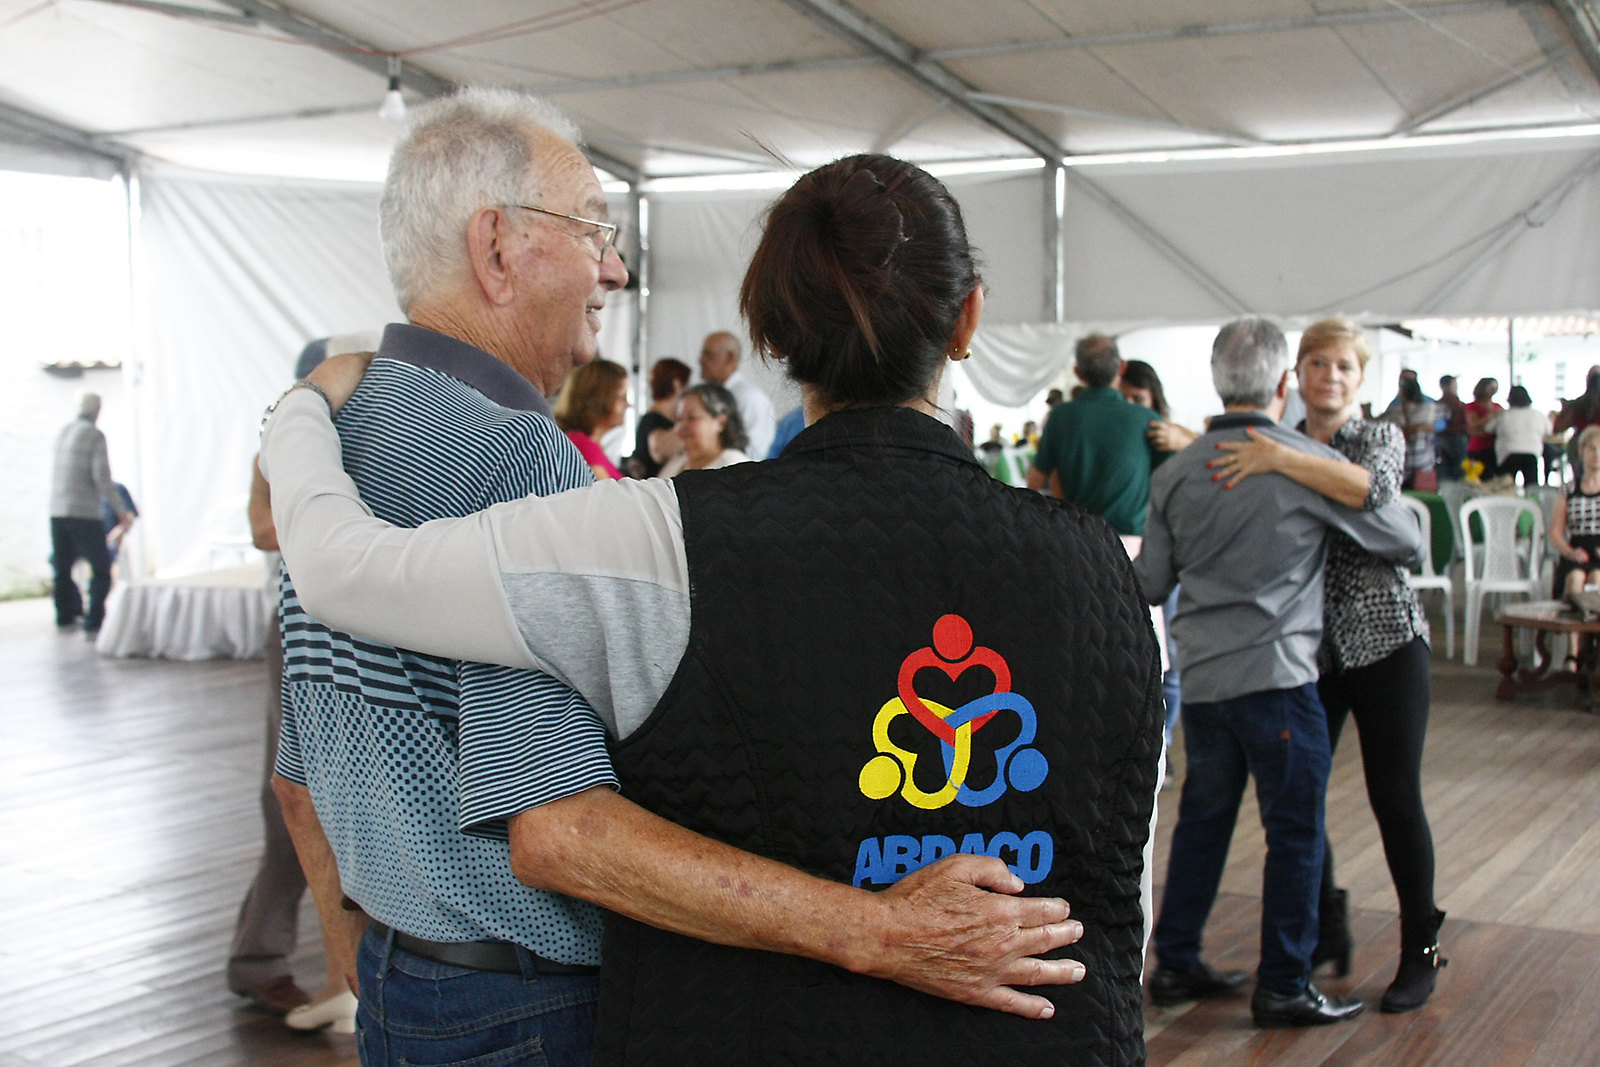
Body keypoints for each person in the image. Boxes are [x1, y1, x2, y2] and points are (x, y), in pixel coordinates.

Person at [262, 151, 1163, 1065]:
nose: (610, 268)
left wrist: (306, 405)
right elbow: (1125, 886)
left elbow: (344, 570)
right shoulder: (1105, 567)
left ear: (770, 335)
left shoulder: (654, 537)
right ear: (968, 316)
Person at [1134, 317, 1421, 1029]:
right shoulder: (1300, 463)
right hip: (1280, 678)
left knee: (1202, 820)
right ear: (1285, 382)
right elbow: (1403, 538)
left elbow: (1150, 582)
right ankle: (1285, 982)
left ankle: (1173, 962)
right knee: (1295, 832)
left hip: (1203, 681)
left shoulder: (1176, 472)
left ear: (1214, 379)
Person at [1206, 316, 1447, 1014]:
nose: (1330, 377)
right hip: (1310, 648)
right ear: (1297, 374)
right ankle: (1327, 921)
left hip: (1387, 641)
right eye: (1317, 364)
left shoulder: (1378, 436)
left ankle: (1420, 946)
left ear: (1359, 377)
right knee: (1295, 794)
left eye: (1343, 366)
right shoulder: (1276, 440)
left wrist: (1280, 459)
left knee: (1395, 795)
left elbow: (1368, 490)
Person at [228, 458, 363, 1033]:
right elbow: (262, 530)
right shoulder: (286, 439)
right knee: (292, 798)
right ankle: (266, 960)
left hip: (360, 614)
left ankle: (333, 974)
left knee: (339, 805)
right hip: (303, 620)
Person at [1026, 333, 1163, 538]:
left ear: (1078, 373)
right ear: (1122, 367)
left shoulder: (1060, 417)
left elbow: (1034, 481)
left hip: (1080, 537)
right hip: (1132, 541)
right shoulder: (1148, 419)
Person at [49, 392, 134, 636]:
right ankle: (94, 619)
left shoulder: (63, 431)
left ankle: (64, 614)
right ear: (97, 411)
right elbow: (102, 478)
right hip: (83, 512)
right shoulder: (94, 435)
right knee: (100, 568)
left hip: (57, 510)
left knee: (62, 567)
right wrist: (121, 510)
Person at [699, 329, 776, 459]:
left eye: (708, 354)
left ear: (730, 357)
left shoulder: (749, 398)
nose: (701, 360)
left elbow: (754, 455)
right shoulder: (709, 396)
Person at [555, 358, 629, 480]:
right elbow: (611, 498)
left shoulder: (589, 445)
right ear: (599, 399)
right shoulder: (583, 446)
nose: (627, 405)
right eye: (622, 397)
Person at [658, 382, 751, 476]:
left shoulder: (735, 468)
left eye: (692, 417)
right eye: (679, 419)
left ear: (721, 422)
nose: (680, 428)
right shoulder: (678, 461)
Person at [1551, 426, 1600, 599]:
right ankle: (1571, 625)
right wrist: (1569, 552)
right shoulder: (1569, 489)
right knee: (1575, 577)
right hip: (1577, 549)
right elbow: (1555, 532)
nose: (1596, 454)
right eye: (1592, 449)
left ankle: (1591, 625)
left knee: (1597, 578)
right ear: (1582, 452)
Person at [627, 357, 689, 477]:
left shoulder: (651, 418)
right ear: (677, 384)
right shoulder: (653, 420)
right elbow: (658, 453)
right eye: (686, 385)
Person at [1486, 385, 1549, 489]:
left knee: (1504, 487)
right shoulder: (1538, 415)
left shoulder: (1504, 415)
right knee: (1531, 487)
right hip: (1531, 453)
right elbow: (1549, 430)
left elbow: (1488, 428)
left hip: (1508, 454)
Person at [1382, 375, 1438, 489]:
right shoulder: (1430, 407)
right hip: (1425, 460)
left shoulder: (1397, 410)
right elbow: (1440, 425)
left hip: (1403, 460)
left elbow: (1381, 423)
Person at [1465, 377, 1502, 477]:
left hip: (1494, 447)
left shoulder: (1497, 406)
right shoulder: (1472, 406)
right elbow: (1472, 425)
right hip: (1478, 447)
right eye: (1491, 387)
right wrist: (1490, 416)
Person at [1436, 375, 1468, 481]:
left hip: (1442, 438)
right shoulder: (1453, 402)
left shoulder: (1438, 403)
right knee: (1459, 469)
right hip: (1456, 438)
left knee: (1445, 467)